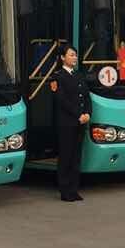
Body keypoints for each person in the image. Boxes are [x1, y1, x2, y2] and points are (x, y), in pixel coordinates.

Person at [52, 45, 90, 201]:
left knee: (76, 157)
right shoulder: (57, 77)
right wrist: (78, 115)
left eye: (75, 55)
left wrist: (87, 113)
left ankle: (74, 190)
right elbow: (61, 100)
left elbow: (86, 96)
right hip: (67, 123)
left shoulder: (78, 75)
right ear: (62, 57)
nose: (75, 57)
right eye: (71, 55)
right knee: (66, 157)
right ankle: (65, 191)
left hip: (80, 122)